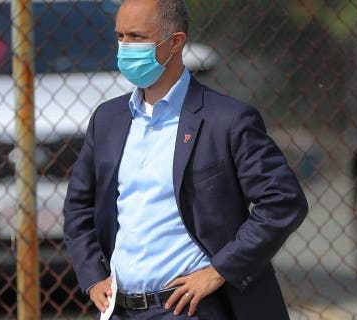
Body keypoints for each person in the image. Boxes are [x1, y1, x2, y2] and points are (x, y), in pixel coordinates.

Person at [63, 0, 308, 319]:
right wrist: (92, 276)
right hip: (118, 309)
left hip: (187, 309)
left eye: (137, 37)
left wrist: (220, 271)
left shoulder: (227, 120)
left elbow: (283, 201)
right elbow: (79, 205)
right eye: (120, 36)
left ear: (175, 42)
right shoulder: (108, 119)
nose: (125, 47)